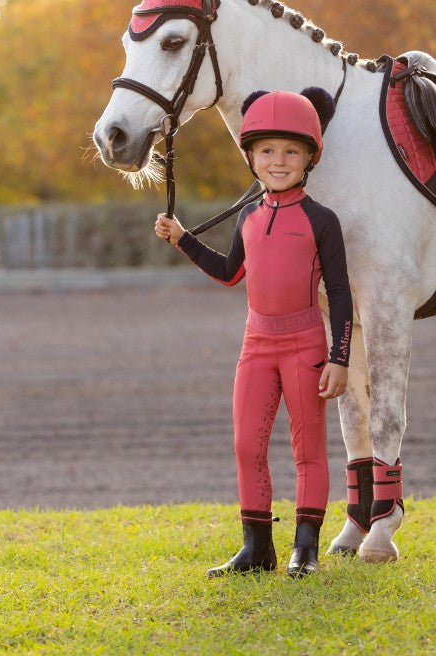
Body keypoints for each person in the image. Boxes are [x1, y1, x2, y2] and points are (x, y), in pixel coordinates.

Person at [154, 87, 352, 578]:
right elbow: (229, 273)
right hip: (256, 345)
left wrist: (340, 356)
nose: (278, 161)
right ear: (250, 157)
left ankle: (304, 549)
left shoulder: (321, 220)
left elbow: (342, 293)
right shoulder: (247, 216)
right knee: (247, 446)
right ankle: (256, 548)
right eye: (267, 150)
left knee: (307, 450)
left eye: (291, 151)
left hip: (306, 344)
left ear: (310, 157)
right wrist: (183, 239)